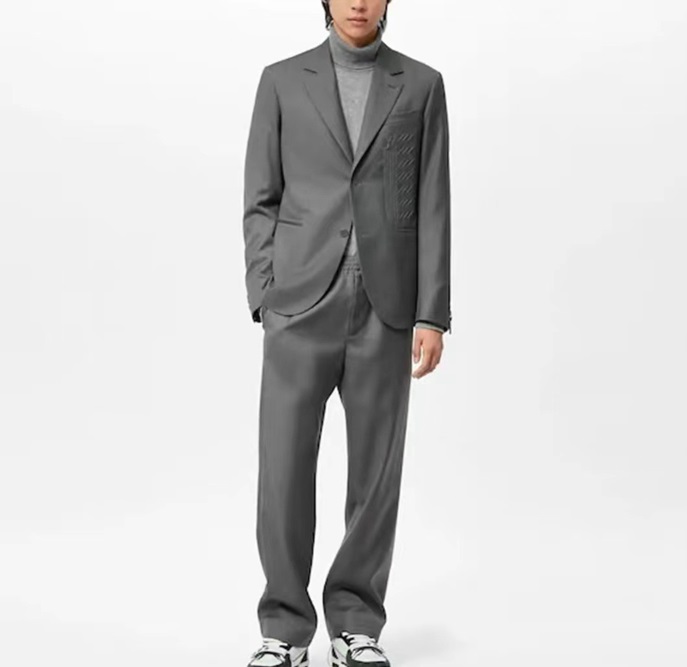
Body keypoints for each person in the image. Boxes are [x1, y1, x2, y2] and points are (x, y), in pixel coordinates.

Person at [242, 1, 451, 665]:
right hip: (300, 302)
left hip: (386, 306)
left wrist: (432, 312)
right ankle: (284, 627)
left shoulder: (421, 85)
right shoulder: (281, 80)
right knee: (283, 467)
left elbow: (433, 202)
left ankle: (356, 622)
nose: (359, 2)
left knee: (376, 472)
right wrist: (265, 292)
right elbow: (261, 197)